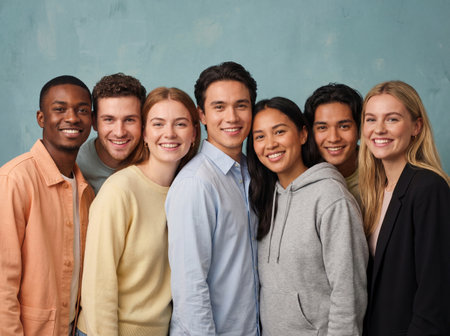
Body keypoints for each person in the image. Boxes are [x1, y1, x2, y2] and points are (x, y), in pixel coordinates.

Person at [76, 87, 200, 336]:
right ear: (144, 133)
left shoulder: (189, 191)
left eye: (180, 124)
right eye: (158, 124)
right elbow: (97, 286)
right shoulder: (120, 190)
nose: (169, 134)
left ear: (195, 134)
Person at [247, 97, 368, 335]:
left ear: (303, 135)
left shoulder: (331, 197)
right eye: (260, 136)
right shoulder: (266, 196)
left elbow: (348, 293)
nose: (270, 144)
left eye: (279, 131)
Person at [166, 61, 260, 335]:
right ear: (202, 115)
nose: (232, 117)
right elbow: (190, 285)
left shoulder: (252, 173)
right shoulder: (196, 183)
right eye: (219, 107)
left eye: (241, 105)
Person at [0, 75, 95, 336]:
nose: (73, 117)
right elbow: (2, 283)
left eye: (82, 110)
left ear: (92, 120)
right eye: (60, 109)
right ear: (41, 118)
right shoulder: (15, 179)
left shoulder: (85, 190)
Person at [360, 80, 450, 335]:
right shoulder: (376, 191)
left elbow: (435, 293)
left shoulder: (429, 188)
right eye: (370, 119)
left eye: (392, 119)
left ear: (416, 126)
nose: (378, 129)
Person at [77, 72, 146, 193]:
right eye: (109, 120)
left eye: (129, 120)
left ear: (143, 121)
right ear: (94, 122)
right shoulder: (77, 165)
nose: (119, 132)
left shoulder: (156, 159)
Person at [304, 83, 363, 205]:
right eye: (322, 128)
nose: (333, 138)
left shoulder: (382, 173)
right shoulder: (304, 175)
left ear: (360, 130)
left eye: (344, 126)